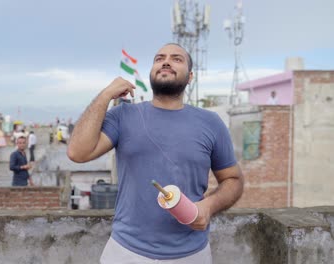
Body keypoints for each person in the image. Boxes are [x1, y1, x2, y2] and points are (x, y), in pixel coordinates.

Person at [67, 43, 244, 263]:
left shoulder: (211, 123)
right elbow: (77, 152)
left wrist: (208, 207)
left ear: (190, 77)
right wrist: (105, 95)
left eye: (176, 59)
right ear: (152, 71)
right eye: (159, 58)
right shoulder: (123, 115)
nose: (166, 61)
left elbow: (233, 180)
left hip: (191, 255)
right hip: (125, 252)